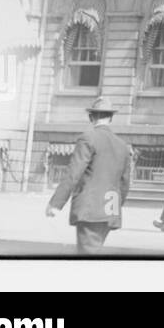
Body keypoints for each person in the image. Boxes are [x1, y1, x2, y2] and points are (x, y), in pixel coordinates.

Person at [45, 96, 134, 255]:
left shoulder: (88, 138)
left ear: (91, 117)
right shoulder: (122, 146)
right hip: (110, 209)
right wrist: (116, 206)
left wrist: (56, 203)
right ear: (111, 118)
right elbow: (125, 183)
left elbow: (73, 173)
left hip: (90, 209)